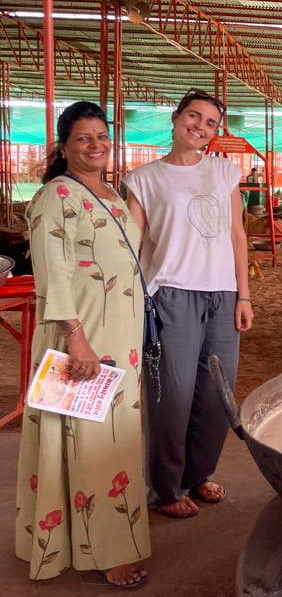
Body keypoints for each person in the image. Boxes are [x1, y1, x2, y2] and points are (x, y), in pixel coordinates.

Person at [15, 101, 150, 587]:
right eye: (83, 138)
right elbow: (50, 273)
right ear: (63, 146)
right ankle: (106, 551)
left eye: (101, 136)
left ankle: (104, 537)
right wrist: (77, 340)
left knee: (113, 436)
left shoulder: (112, 194)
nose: (95, 145)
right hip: (84, 335)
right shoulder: (55, 195)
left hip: (120, 337)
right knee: (92, 437)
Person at [125, 88, 253, 520]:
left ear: (216, 132)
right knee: (172, 396)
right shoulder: (144, 178)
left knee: (216, 393)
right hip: (170, 294)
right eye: (194, 117)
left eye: (210, 123)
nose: (200, 126)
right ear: (176, 118)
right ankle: (165, 487)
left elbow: (237, 235)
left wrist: (244, 294)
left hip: (222, 294)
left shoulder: (224, 172)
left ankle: (199, 474)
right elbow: (131, 242)